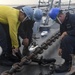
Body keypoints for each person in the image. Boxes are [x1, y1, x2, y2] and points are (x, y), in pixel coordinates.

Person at [48, 8, 75, 73]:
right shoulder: (62, 24)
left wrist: (67, 33)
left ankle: (67, 64)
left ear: (60, 16)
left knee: (66, 38)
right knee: (65, 38)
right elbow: (62, 36)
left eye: (57, 20)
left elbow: (65, 35)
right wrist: (61, 47)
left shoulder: (73, 18)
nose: (57, 22)